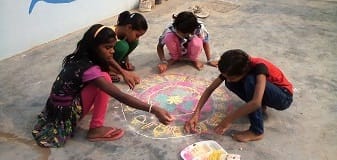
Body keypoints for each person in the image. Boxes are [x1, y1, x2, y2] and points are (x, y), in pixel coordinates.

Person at [32, 24, 174, 148]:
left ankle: (87, 108)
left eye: (112, 47)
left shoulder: (80, 57)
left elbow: (108, 59)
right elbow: (120, 96)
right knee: (105, 79)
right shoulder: (90, 69)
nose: (112, 51)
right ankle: (95, 129)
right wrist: (153, 109)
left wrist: (123, 72)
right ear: (94, 47)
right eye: (107, 48)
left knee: (103, 77)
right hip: (65, 114)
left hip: (55, 107)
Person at [184, 49, 293, 142]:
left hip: (283, 97)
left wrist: (227, 120)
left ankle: (257, 131)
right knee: (230, 83)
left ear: (243, 72)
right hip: (266, 92)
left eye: (231, 76)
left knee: (250, 82)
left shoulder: (259, 67)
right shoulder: (236, 65)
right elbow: (210, 89)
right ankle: (261, 107)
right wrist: (196, 113)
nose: (228, 78)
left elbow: (255, 103)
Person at [108, 11, 148, 85]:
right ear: (129, 27)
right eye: (137, 35)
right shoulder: (109, 35)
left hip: (110, 58)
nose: (137, 38)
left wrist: (126, 61)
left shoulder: (124, 32)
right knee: (123, 46)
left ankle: (117, 65)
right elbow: (102, 57)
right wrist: (123, 73)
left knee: (133, 42)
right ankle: (108, 69)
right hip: (98, 60)